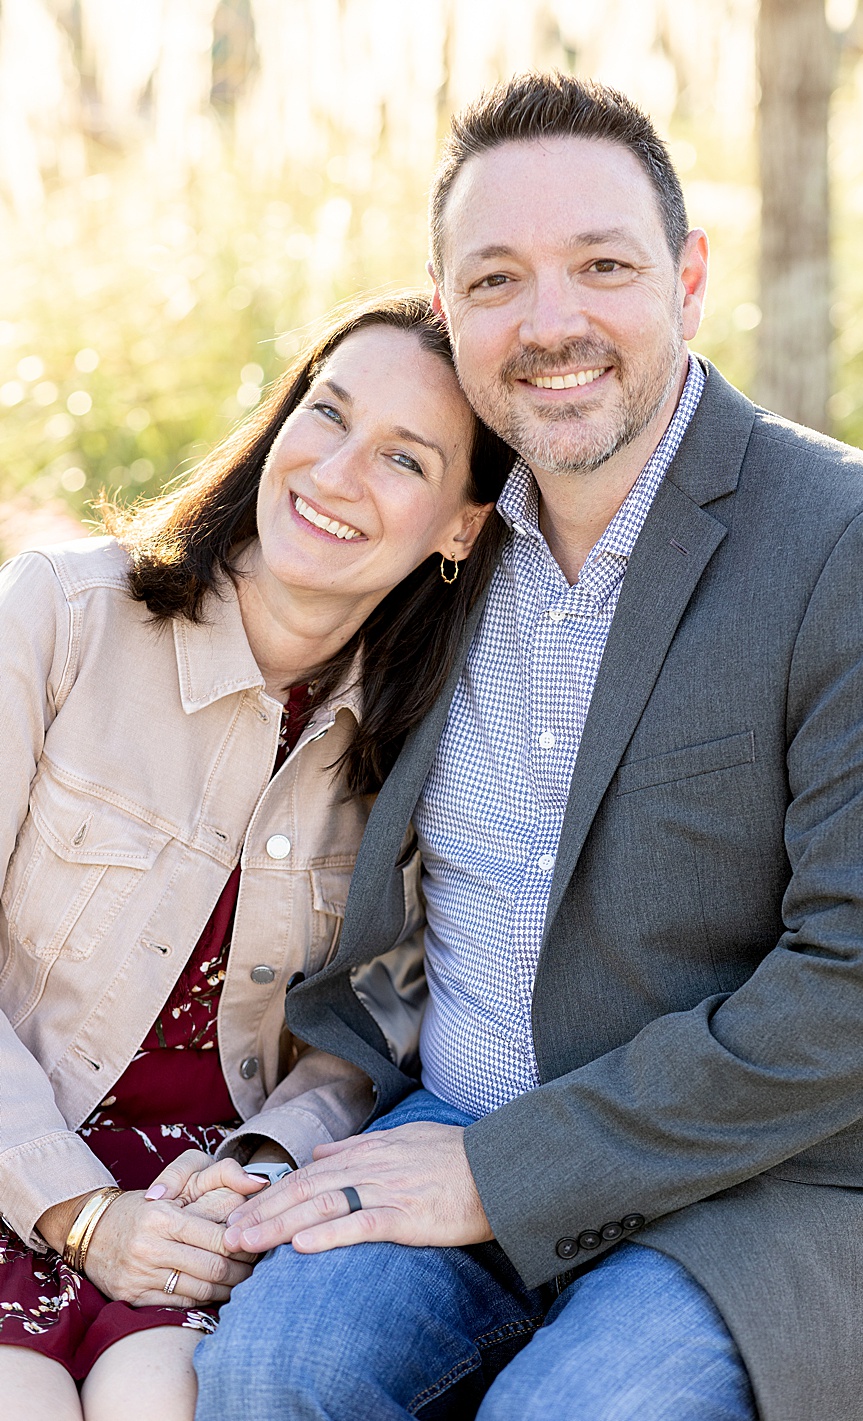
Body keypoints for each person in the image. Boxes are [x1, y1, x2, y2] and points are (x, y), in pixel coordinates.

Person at [191, 74, 863, 1421]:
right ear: (446, 306)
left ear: (688, 278)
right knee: (268, 1370)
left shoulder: (857, 543)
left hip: (748, 1191)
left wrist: (507, 1176)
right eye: (496, 281)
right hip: (448, 1123)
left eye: (602, 267)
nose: (551, 326)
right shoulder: (438, 539)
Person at [0, 295, 508, 1421]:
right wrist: (78, 1210)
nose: (333, 473)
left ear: (460, 526)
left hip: (205, 1199)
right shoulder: (59, 618)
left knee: (163, 1404)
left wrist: (266, 1171)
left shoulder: (431, 752)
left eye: (402, 458)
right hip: (12, 1152)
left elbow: (379, 1026)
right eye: (324, 415)